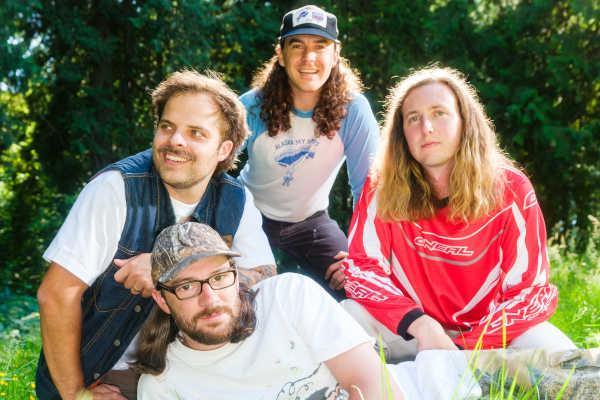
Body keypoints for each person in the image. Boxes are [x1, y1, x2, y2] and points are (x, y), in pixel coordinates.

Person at [35, 70, 276, 400]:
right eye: (167, 127)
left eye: (195, 133)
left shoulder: (235, 199)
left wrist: (173, 269)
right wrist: (77, 393)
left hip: (194, 366)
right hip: (107, 373)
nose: (175, 140)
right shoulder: (115, 189)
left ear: (224, 149)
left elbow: (266, 277)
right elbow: (56, 294)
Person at [342, 66, 575, 362]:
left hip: (486, 339)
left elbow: (530, 293)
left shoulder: (511, 189)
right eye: (413, 118)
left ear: (465, 121)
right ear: (402, 134)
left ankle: (453, 374)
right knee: (348, 316)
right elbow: (362, 270)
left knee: (564, 357)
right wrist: (421, 325)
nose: (426, 127)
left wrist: (462, 350)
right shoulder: (382, 187)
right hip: (411, 333)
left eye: (439, 113)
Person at [134, 222, 404, 400]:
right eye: (187, 286)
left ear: (236, 277)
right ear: (162, 299)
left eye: (219, 277)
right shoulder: (163, 387)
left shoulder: (289, 297)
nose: (210, 298)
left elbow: (376, 386)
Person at [239, 5, 379, 300]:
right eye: (297, 45)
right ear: (281, 54)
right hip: (251, 215)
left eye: (320, 45)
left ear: (335, 54)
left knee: (359, 285)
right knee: (246, 295)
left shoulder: (353, 110)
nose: (309, 58)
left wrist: (362, 255)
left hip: (311, 221)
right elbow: (211, 163)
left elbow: (369, 189)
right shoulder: (251, 106)